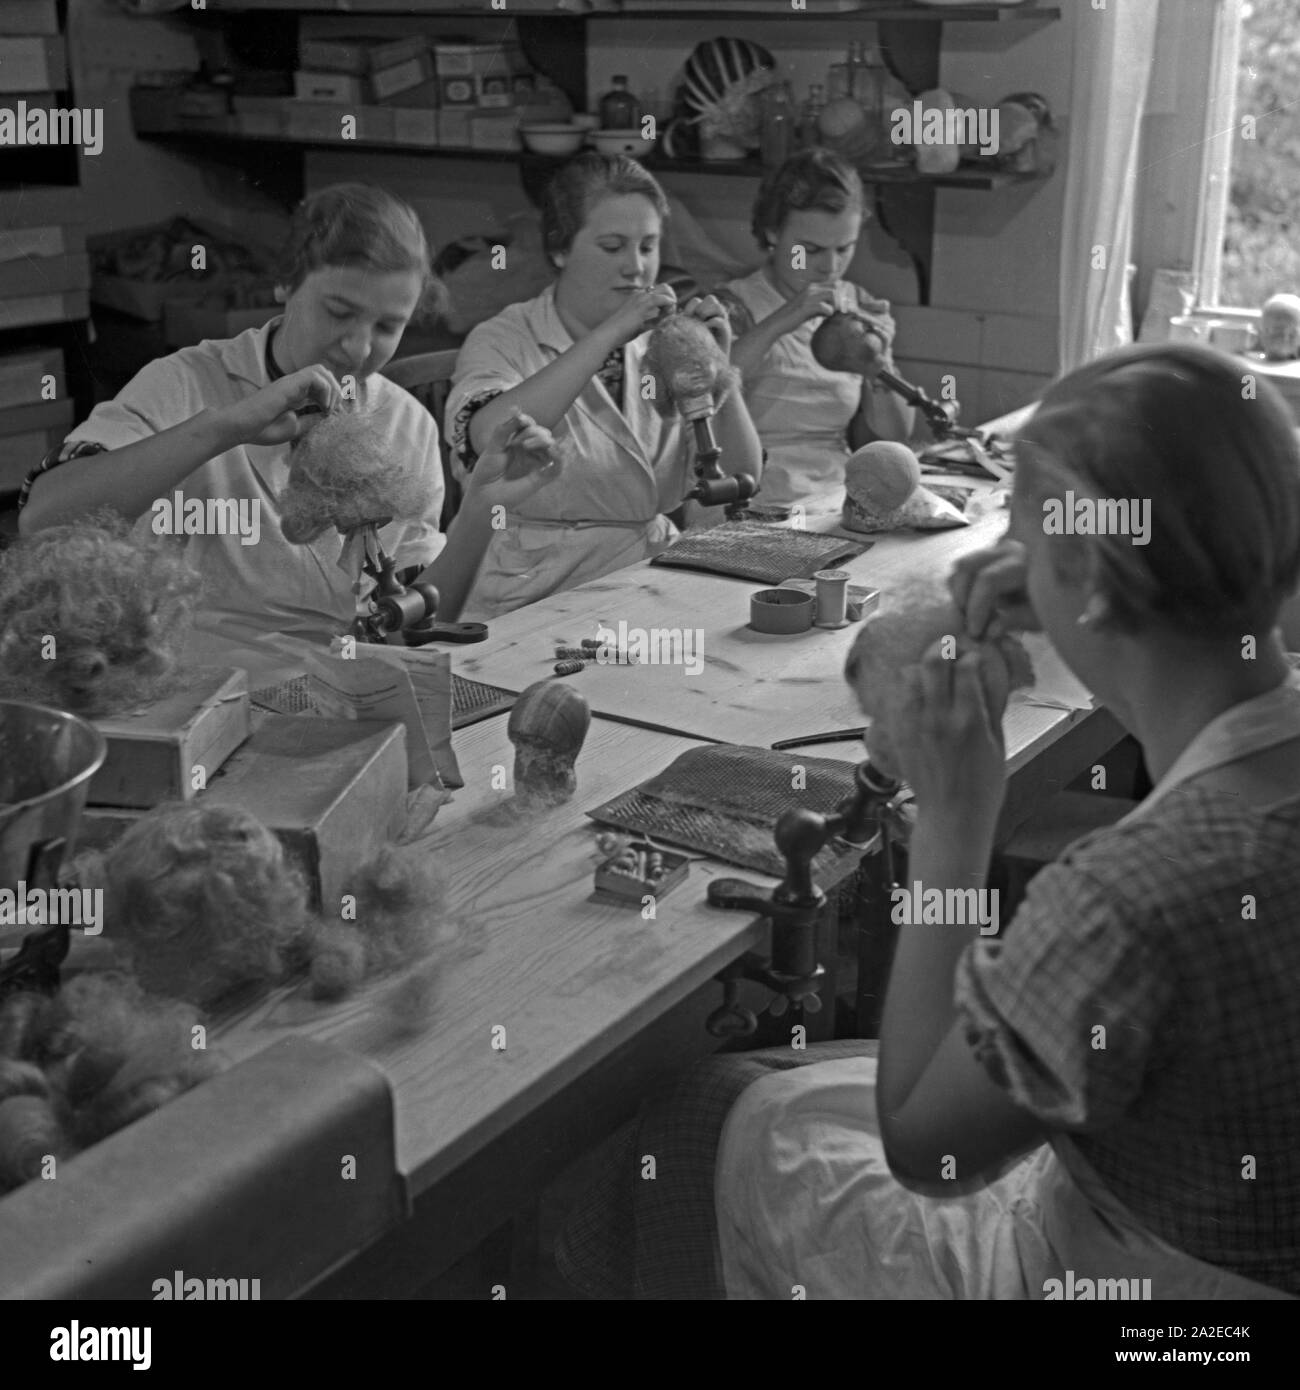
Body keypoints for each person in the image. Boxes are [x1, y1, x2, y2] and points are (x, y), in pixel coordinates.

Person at [556, 342, 1300, 1300]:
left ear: (1097, 581)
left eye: (1029, 539)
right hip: (1216, 1214)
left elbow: (929, 1153)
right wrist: (1085, 589)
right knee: (780, 1087)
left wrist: (955, 821)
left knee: (708, 1116)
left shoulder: (1134, 893)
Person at [18, 183, 554, 681]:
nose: (359, 349)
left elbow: (408, 630)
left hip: (342, 692)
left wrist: (482, 507)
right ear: (286, 284)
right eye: (339, 312)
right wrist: (226, 428)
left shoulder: (406, 423)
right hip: (197, 698)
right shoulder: (185, 383)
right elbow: (45, 518)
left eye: (388, 326)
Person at [444, 153, 763, 620]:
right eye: (613, 247)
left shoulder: (662, 344)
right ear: (559, 249)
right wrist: (610, 332)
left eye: (649, 247)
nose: (637, 268)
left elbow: (739, 482)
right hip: (526, 592)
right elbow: (492, 434)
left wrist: (719, 372)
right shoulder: (503, 338)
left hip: (644, 578)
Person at [715, 148, 915, 513]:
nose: (830, 267)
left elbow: (895, 437)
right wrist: (783, 319)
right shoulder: (731, 307)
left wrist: (879, 363)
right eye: (810, 250)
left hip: (840, 499)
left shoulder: (857, 304)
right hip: (758, 501)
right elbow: (709, 394)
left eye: (845, 248)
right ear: (772, 232)